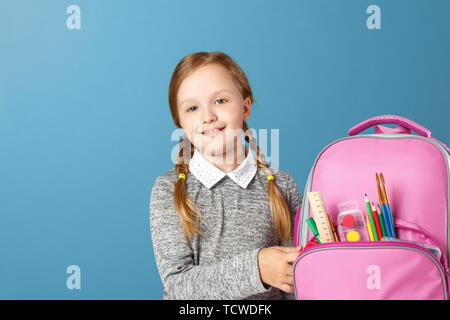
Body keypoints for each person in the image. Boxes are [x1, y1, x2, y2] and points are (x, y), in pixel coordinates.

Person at [149, 51, 303, 299]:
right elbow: (179, 285)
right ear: (180, 120)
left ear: (245, 107)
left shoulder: (282, 185)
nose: (207, 116)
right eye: (192, 108)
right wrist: (257, 269)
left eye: (220, 101)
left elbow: (296, 282)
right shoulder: (168, 189)